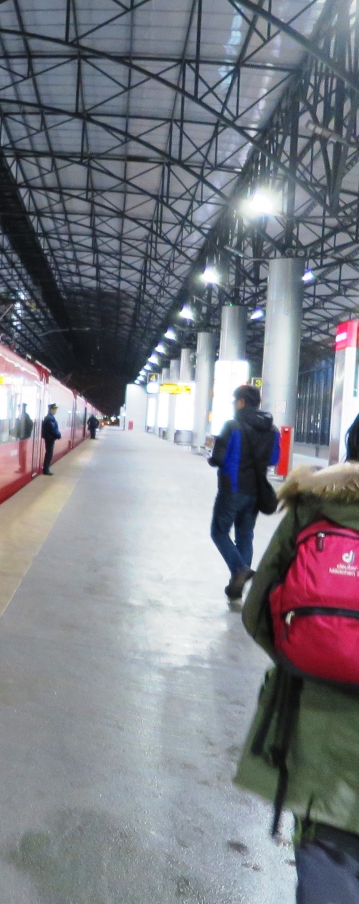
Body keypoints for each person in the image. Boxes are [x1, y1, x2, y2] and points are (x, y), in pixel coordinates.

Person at [234, 414, 359, 902]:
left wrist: (315, 652)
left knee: (328, 861)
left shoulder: (317, 506)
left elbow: (257, 612)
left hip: (320, 738)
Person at [209, 384, 280, 600]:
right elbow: (274, 459)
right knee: (245, 535)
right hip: (255, 491)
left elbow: (218, 458)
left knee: (219, 532)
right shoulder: (272, 429)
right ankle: (237, 586)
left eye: (235, 401)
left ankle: (240, 569)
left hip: (232, 488)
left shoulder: (232, 426)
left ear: (241, 402)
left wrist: (213, 459)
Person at [41, 403, 61, 475]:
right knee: (49, 454)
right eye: (55, 409)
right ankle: (46, 470)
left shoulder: (49, 417)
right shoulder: (50, 418)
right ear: (51, 409)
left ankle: (46, 469)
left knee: (49, 453)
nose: (55, 411)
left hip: (49, 437)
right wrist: (58, 435)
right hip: (49, 438)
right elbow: (53, 429)